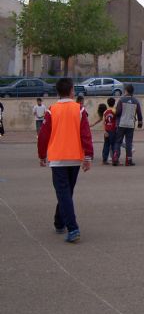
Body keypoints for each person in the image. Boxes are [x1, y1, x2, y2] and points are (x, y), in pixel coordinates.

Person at [37, 78, 93, 243]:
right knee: (66, 194)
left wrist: (42, 155)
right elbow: (86, 134)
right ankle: (59, 222)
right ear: (71, 91)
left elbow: (43, 136)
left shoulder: (52, 111)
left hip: (58, 158)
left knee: (64, 194)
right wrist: (88, 156)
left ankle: (73, 228)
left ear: (57, 92)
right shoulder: (79, 110)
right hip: (75, 157)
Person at [112, 84, 143, 166]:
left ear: (126, 91)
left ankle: (115, 158)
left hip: (121, 124)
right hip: (130, 124)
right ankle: (128, 160)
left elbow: (118, 112)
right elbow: (139, 113)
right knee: (129, 142)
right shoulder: (136, 101)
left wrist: (115, 114)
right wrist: (140, 122)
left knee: (118, 142)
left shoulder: (121, 100)